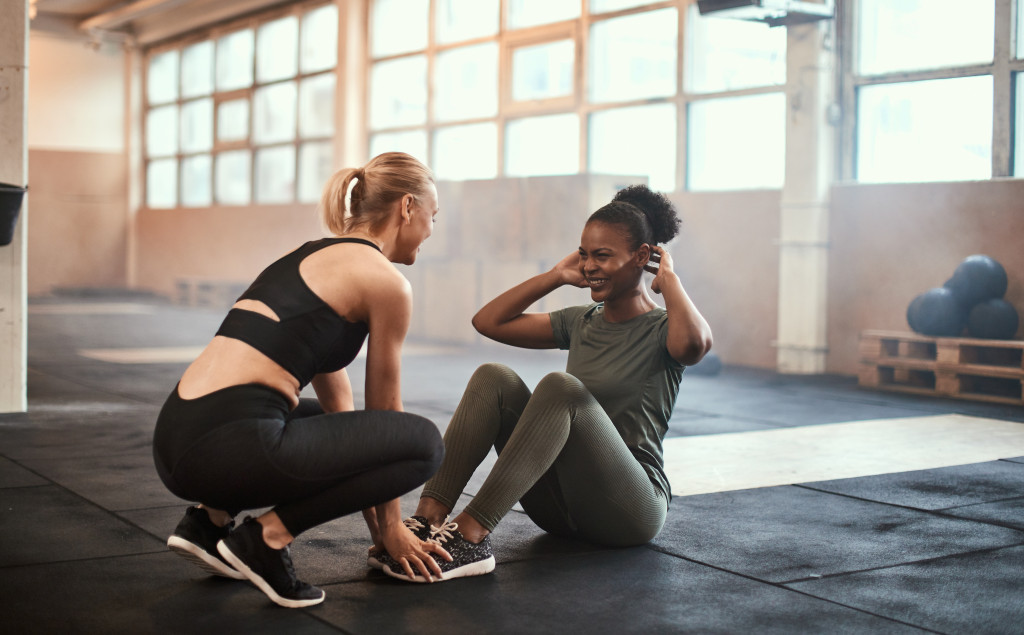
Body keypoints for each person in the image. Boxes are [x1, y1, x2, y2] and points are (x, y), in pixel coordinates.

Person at [152, 152, 452, 608]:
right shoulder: (385, 283)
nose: (431, 229)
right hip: (226, 448)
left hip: (177, 438)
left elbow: (348, 422)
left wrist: (378, 538)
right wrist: (393, 531)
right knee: (423, 443)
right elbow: (385, 413)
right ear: (407, 207)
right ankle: (267, 539)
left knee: (334, 422)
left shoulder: (310, 257)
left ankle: (209, 522)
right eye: (433, 215)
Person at [375, 184, 713, 582]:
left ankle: (471, 535)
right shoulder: (581, 321)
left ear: (643, 257)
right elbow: (488, 322)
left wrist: (669, 280)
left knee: (561, 388)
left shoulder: (662, 329)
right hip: (561, 508)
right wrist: (554, 276)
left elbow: (694, 345)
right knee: (494, 377)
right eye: (585, 254)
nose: (589, 266)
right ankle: (425, 523)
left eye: (602, 256)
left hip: (629, 511)